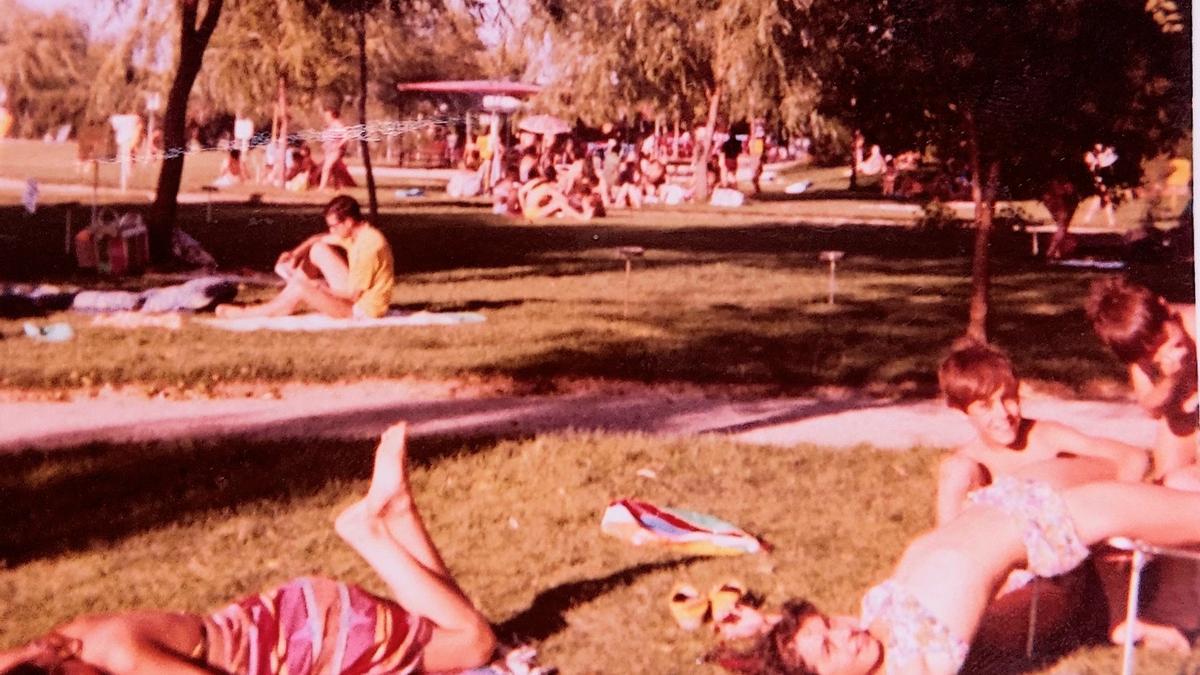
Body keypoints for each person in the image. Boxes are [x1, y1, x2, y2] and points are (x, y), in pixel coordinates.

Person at [0, 422, 496, 675]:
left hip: (310, 641)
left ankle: (370, 533)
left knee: (475, 643)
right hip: (284, 615)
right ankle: (400, 512)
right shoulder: (64, 641)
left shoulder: (126, 659)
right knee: (443, 625)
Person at [708, 458, 1200, 675]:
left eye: (829, 625)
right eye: (831, 648)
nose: (846, 634)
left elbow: (808, 643)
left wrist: (766, 626)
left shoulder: (872, 615)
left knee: (1166, 474)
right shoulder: (914, 668)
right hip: (1055, 522)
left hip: (1013, 494)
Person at [935, 341, 1149, 525]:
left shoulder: (1047, 437)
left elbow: (1134, 456)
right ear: (962, 412)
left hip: (1070, 548)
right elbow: (945, 540)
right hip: (1005, 559)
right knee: (956, 470)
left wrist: (1120, 512)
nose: (1003, 414)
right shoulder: (968, 464)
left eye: (1008, 398)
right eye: (985, 406)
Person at [1085, 277, 1198, 488]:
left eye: (1163, 340)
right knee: (1166, 487)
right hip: (1185, 420)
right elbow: (1150, 406)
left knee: (1185, 483)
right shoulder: (1141, 349)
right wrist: (1171, 379)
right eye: (1150, 354)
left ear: (1164, 307)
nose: (1161, 352)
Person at [216, 196, 393, 319]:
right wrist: (294, 254)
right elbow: (316, 239)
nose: (332, 231)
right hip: (356, 297)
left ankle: (252, 313)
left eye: (333, 226)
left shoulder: (368, 247)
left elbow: (353, 296)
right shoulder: (358, 233)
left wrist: (319, 287)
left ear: (348, 222)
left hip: (362, 310)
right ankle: (279, 304)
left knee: (302, 287)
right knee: (318, 249)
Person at [319, 105, 356, 190]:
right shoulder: (330, 126)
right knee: (334, 169)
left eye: (327, 116)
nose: (325, 117)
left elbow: (347, 136)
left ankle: (322, 187)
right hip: (328, 151)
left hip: (335, 151)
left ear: (333, 116)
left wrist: (339, 145)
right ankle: (337, 187)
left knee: (326, 167)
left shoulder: (338, 125)